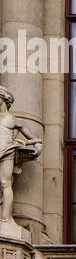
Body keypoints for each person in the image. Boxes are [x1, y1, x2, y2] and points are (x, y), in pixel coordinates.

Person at [0, 85, 41, 228]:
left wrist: (35, 145)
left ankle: (5, 218)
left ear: (4, 99)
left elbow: (35, 139)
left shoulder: (13, 120)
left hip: (7, 152)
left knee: (5, 183)